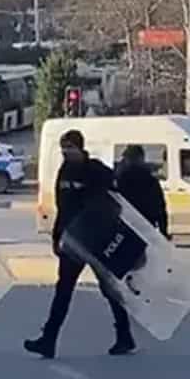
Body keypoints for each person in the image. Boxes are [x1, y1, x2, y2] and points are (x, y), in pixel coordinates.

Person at [25, 130, 136, 359]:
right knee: (63, 290)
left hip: (95, 240)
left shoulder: (96, 170)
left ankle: (124, 335)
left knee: (109, 289)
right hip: (73, 241)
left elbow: (111, 200)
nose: (66, 153)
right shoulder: (64, 171)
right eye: (63, 148)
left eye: (70, 148)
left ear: (80, 148)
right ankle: (48, 339)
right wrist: (56, 237)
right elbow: (62, 208)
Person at [115, 144, 169, 237]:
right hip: (147, 224)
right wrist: (163, 230)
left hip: (127, 225)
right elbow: (160, 206)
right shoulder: (150, 179)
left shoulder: (120, 179)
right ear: (141, 158)